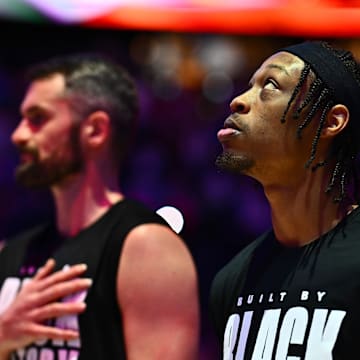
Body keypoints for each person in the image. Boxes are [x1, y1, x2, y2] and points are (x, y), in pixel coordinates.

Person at [0, 53, 200, 359]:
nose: (19, 135)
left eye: (37, 119)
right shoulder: (13, 251)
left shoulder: (147, 247)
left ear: (94, 130)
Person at [209, 40, 360, 359]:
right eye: (250, 85)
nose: (238, 101)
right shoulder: (232, 281)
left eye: (270, 85)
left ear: (331, 121)